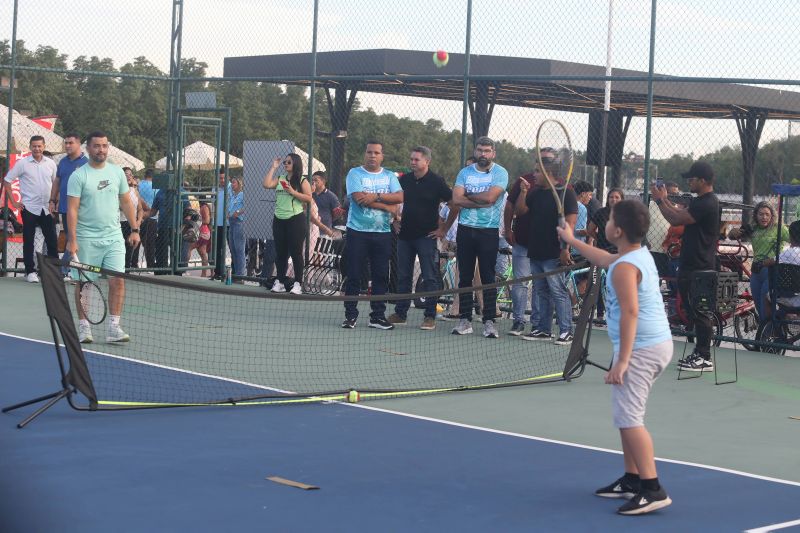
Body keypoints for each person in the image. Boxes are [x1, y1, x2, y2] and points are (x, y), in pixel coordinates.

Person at [557, 199, 673, 516]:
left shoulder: (625, 268)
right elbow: (605, 257)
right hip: (653, 344)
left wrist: (622, 360)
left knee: (630, 418)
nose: (605, 222)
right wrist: (571, 240)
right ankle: (633, 479)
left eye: (608, 219)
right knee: (626, 414)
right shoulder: (633, 255)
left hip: (641, 349)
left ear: (617, 230)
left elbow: (630, 314)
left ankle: (653, 488)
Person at [66, 131, 140, 343]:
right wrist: (72, 240)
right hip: (86, 238)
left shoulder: (117, 173)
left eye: (105, 146)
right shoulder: (79, 175)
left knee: (118, 281)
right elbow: (72, 210)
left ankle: (114, 328)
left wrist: (135, 229)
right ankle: (84, 327)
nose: (101, 150)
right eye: (97, 146)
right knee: (85, 284)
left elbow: (126, 202)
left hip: (114, 237)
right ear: (88, 149)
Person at [650, 161, 719, 372]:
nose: (689, 181)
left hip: (700, 265)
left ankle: (704, 356)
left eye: (692, 179)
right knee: (691, 309)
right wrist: (664, 199)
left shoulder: (707, 202)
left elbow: (676, 218)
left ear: (703, 181)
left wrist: (661, 202)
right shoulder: (700, 201)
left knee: (700, 312)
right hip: (692, 264)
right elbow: (678, 214)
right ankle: (699, 353)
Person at [449, 137, 509, 339]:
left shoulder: (500, 172)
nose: (483, 154)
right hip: (465, 230)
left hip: (488, 231)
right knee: (465, 277)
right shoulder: (465, 172)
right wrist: (479, 200)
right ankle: (464, 320)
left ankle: (489, 321)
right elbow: (456, 199)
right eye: (480, 150)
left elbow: (491, 198)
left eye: (487, 151)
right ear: (475, 151)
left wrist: (469, 196)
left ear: (493, 153)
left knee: (487, 276)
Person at [514, 159, 578, 345]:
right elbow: (521, 211)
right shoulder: (535, 192)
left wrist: (565, 248)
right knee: (541, 291)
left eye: (537, 171)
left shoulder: (566, 193)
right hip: (536, 250)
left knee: (558, 291)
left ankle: (567, 331)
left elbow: (571, 222)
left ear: (548, 173)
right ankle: (543, 329)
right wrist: (524, 192)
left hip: (554, 252)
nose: (534, 175)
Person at [341, 141, 403, 329]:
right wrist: (387, 206)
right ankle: (350, 316)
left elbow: (400, 197)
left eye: (376, 153)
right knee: (353, 275)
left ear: (382, 156)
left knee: (381, 276)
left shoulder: (390, 176)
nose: (372, 156)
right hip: (357, 232)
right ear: (365, 154)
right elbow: (359, 199)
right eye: (369, 152)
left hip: (383, 234)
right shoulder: (354, 173)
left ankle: (377, 316)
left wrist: (374, 197)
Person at [389, 146, 452, 330]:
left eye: (416, 159)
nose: (412, 162)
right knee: (403, 276)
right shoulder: (404, 180)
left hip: (426, 237)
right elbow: (393, 200)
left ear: (427, 162)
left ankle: (430, 316)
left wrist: (443, 228)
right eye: (411, 159)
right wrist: (394, 220)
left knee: (430, 277)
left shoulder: (437, 182)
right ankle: (401, 313)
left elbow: (454, 204)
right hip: (405, 237)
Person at [503, 147, 555, 335]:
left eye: (548, 159)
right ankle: (518, 321)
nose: (543, 162)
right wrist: (508, 229)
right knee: (521, 282)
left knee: (541, 286)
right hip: (523, 241)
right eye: (540, 159)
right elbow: (511, 207)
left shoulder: (561, 185)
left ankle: (538, 324)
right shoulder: (524, 180)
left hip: (544, 246)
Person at [2, 135, 59, 282]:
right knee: (29, 241)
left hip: (47, 209)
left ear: (44, 146)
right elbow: (7, 180)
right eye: (34, 146)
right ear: (30, 147)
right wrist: (14, 203)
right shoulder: (22, 164)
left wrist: (54, 201)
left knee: (52, 241)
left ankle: (52, 272)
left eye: (39, 146)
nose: (37, 148)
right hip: (29, 209)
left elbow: (56, 184)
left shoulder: (51, 164)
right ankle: (30, 272)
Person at [262, 153, 313, 294]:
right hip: (279, 220)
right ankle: (280, 281)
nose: (285, 164)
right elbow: (266, 184)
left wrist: (292, 191)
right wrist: (273, 167)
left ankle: (298, 283)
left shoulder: (302, 181)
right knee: (281, 253)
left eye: (288, 162)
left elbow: (309, 198)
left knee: (296, 253)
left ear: (295, 163)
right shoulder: (280, 178)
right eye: (284, 162)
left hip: (295, 220)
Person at [728, 201, 789, 318]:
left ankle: (768, 332)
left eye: (767, 214)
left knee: (764, 302)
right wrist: (734, 232)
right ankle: (773, 329)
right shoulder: (753, 228)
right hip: (756, 270)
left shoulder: (779, 228)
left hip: (771, 269)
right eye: (761, 214)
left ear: (772, 216)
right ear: (756, 215)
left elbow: (795, 239)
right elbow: (731, 236)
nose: (764, 217)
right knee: (758, 305)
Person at [51, 132, 88, 277]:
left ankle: (65, 270)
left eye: (70, 143)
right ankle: (68, 271)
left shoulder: (87, 162)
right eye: (66, 143)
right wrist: (52, 200)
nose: (67, 146)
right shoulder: (63, 162)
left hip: (82, 209)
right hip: (65, 209)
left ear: (79, 144)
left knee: (77, 239)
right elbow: (57, 181)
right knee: (71, 239)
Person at [119, 167, 143, 269]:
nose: (128, 176)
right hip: (122, 222)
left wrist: (138, 222)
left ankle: (127, 270)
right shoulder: (119, 190)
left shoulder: (135, 191)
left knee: (130, 248)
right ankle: (119, 271)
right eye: (126, 174)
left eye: (130, 174)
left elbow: (140, 209)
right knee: (121, 249)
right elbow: (121, 207)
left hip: (133, 224)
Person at [137, 168, 158, 269]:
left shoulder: (139, 185)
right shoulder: (157, 187)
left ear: (145, 175)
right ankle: (150, 265)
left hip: (137, 216)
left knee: (136, 241)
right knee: (150, 244)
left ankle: (133, 264)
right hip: (152, 217)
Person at [227, 177, 246, 279]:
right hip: (231, 222)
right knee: (233, 248)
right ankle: (237, 273)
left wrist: (238, 212)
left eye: (234, 182)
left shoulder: (242, 194)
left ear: (239, 184)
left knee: (239, 249)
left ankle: (241, 274)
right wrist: (228, 213)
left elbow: (247, 206)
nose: (232, 184)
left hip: (239, 222)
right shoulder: (233, 196)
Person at [188, 201, 213, 278]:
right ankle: (204, 274)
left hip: (203, 232)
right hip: (202, 232)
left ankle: (184, 269)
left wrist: (196, 220)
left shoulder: (204, 207)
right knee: (202, 252)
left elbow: (207, 220)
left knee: (188, 248)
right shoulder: (202, 206)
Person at [213, 166, 229, 280]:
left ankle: (233, 273)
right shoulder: (215, 189)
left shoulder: (232, 188)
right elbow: (213, 205)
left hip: (229, 224)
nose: (222, 180)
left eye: (223, 178)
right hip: (217, 224)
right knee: (217, 249)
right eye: (220, 178)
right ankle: (218, 272)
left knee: (232, 249)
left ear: (227, 177)